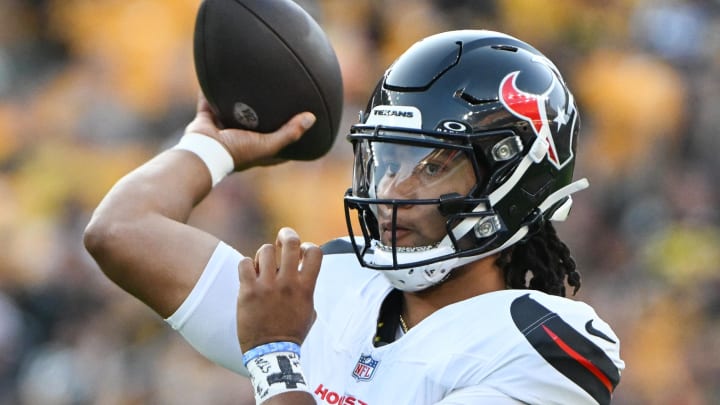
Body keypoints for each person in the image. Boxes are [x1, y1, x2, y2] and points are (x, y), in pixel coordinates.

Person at [84, 30, 624, 404]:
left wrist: (275, 355)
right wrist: (209, 148)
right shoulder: (336, 283)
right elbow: (120, 232)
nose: (392, 189)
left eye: (431, 167)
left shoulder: (540, 343)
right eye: (387, 160)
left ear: (514, 179)